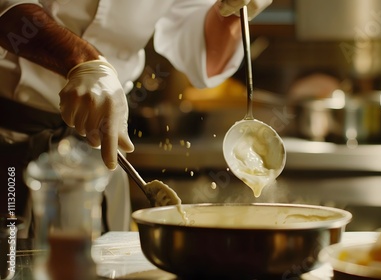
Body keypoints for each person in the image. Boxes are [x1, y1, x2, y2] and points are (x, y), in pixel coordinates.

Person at [0, 0, 272, 236]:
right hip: (10, 137)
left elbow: (203, 55)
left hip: (100, 144)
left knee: (97, 264)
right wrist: (84, 62)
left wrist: (233, 14)